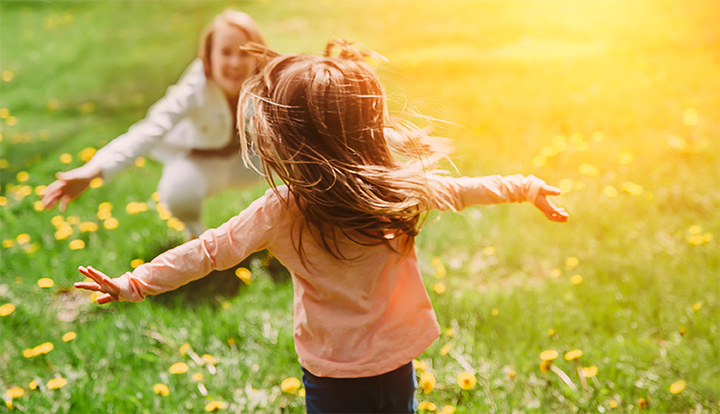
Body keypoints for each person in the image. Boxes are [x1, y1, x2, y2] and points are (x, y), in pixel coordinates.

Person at [74, 40, 569, 413]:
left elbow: (208, 251)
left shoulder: (283, 207)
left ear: (291, 138)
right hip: (396, 359)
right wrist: (525, 187)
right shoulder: (392, 186)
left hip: (333, 374)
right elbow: (462, 190)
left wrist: (135, 284)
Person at [42, 10, 266, 237]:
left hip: (246, 162)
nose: (236, 62)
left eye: (244, 53)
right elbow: (150, 129)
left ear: (257, 55)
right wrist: (93, 170)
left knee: (296, 155)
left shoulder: (267, 82)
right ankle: (196, 237)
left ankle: (295, 220)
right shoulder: (194, 87)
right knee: (178, 193)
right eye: (226, 53)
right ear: (209, 57)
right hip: (201, 163)